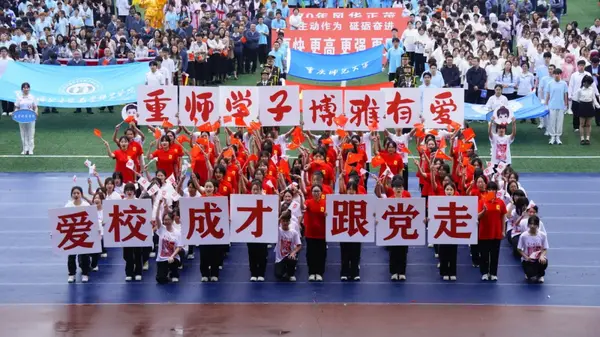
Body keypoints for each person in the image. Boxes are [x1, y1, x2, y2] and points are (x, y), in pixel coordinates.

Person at [477, 181, 507, 281]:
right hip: (484, 232)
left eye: (493, 189)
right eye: (489, 189)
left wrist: (503, 230)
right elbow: (477, 216)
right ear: (487, 190)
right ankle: (484, 272)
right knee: (484, 254)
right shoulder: (482, 201)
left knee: (495, 254)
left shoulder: (500, 202)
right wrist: (484, 211)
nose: (491, 191)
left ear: (496, 191)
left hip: (496, 232)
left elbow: (503, 216)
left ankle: (493, 273)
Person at [65, 186, 92, 283]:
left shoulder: (86, 205)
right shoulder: (68, 206)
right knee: (71, 255)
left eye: (78, 193)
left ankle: (85, 273)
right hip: (72, 234)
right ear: (71, 195)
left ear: (81, 194)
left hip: (83, 234)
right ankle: (72, 274)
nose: (76, 195)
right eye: (74, 193)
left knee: (84, 255)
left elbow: (91, 219)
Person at [153, 204, 183, 284]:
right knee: (160, 279)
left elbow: (179, 247)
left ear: (172, 220)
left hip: (172, 257)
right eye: (165, 220)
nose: (166, 221)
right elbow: (157, 218)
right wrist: (159, 205)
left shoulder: (177, 233)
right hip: (162, 258)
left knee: (174, 262)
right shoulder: (161, 229)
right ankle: (166, 274)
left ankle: (174, 274)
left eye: (168, 220)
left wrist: (172, 256)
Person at [303, 184, 326, 282]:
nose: (316, 193)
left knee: (321, 254)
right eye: (314, 191)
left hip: (322, 233)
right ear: (311, 193)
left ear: (321, 193)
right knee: (311, 254)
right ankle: (312, 272)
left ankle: (319, 273)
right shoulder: (308, 202)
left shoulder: (325, 203)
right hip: (310, 233)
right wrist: (300, 195)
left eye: (318, 191)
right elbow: (302, 207)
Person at [518, 215, 549, 283]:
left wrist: (542, 256)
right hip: (528, 260)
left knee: (544, 262)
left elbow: (545, 248)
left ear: (537, 225)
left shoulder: (542, 235)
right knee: (531, 276)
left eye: (534, 224)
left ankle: (541, 275)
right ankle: (529, 272)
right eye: (530, 224)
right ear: (528, 225)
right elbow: (519, 249)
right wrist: (526, 257)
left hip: (538, 259)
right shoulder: (523, 236)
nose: (532, 226)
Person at [274, 210, 302, 282]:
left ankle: (291, 274)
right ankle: (283, 270)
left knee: (292, 259)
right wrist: (281, 216)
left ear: (289, 222)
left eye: (287, 221)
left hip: (289, 255)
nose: (285, 223)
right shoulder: (278, 231)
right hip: (280, 258)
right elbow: (274, 224)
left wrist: (293, 252)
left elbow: (299, 245)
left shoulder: (294, 232)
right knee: (278, 275)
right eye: (283, 221)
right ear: (281, 222)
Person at [573, 75, 600, 145]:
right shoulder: (579, 90)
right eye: (588, 83)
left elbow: (594, 99)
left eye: (590, 83)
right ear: (584, 82)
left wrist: (598, 106)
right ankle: (582, 139)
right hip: (582, 106)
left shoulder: (592, 89)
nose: (589, 85)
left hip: (589, 106)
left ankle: (587, 139)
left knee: (588, 124)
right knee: (581, 124)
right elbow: (577, 99)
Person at [545, 68, 569, 145]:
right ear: (553, 74)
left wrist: (566, 105)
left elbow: (565, 94)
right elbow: (548, 94)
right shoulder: (550, 83)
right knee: (552, 121)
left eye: (558, 74)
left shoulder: (564, 84)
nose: (556, 75)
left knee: (559, 122)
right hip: (552, 105)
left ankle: (558, 137)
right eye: (555, 74)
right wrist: (546, 104)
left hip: (561, 106)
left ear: (560, 74)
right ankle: (552, 137)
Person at [14, 82, 38, 155]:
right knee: (23, 133)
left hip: (31, 117)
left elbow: (35, 107)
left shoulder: (32, 97)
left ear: (29, 89)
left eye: (27, 87)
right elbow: (17, 107)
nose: (26, 89)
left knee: (31, 133)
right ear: (22, 89)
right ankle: (25, 149)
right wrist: (15, 112)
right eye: (24, 87)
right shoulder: (19, 98)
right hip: (21, 118)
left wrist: (36, 112)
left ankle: (31, 149)